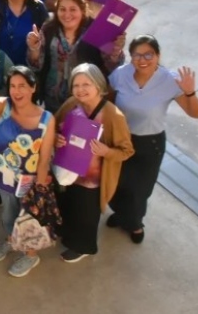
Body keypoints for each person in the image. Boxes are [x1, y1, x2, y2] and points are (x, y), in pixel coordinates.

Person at [108, 35, 198, 243]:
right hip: (121, 140)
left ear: (158, 55)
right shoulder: (121, 74)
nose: (142, 59)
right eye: (137, 55)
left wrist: (189, 93)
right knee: (117, 184)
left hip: (149, 144)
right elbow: (109, 97)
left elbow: (196, 113)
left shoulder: (170, 80)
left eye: (148, 54)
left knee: (139, 190)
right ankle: (122, 215)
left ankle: (135, 224)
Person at [0, 64, 56, 277]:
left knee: (30, 217)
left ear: (33, 88)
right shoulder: (5, 107)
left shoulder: (47, 119)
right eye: (13, 86)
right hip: (5, 175)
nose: (17, 91)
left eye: (23, 86)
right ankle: (11, 239)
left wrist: (41, 183)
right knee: (9, 211)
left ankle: (31, 254)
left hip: (31, 180)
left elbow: (45, 156)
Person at [53, 64, 134, 262]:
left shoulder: (113, 115)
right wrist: (56, 137)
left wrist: (107, 151)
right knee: (67, 206)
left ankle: (83, 247)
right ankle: (66, 234)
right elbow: (53, 125)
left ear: (98, 85)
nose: (80, 90)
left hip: (93, 179)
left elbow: (127, 150)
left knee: (86, 214)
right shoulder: (72, 104)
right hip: (68, 171)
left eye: (86, 84)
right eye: (76, 85)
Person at [26, 0, 125, 113]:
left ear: (83, 11)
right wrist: (34, 48)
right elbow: (36, 65)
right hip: (53, 97)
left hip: (86, 98)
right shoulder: (49, 28)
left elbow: (111, 66)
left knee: (81, 132)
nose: (67, 15)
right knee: (56, 130)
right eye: (62, 9)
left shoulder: (96, 30)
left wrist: (115, 50)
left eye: (73, 9)